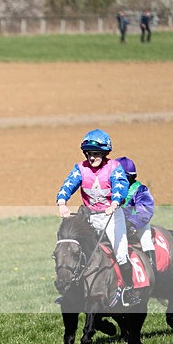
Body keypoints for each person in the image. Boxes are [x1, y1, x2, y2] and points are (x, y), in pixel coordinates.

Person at [56, 129, 138, 306]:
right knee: (79, 253)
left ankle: (128, 291)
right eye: (89, 154)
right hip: (90, 218)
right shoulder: (80, 169)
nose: (91, 158)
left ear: (104, 153)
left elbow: (120, 186)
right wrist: (62, 202)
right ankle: (71, 292)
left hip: (112, 217)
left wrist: (115, 203)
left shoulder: (114, 168)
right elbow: (68, 185)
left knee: (121, 254)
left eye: (96, 154)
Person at [118, 157, 156, 268]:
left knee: (145, 239)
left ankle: (152, 267)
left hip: (136, 223)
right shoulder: (110, 189)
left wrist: (131, 222)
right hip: (115, 222)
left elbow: (145, 212)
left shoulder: (140, 189)